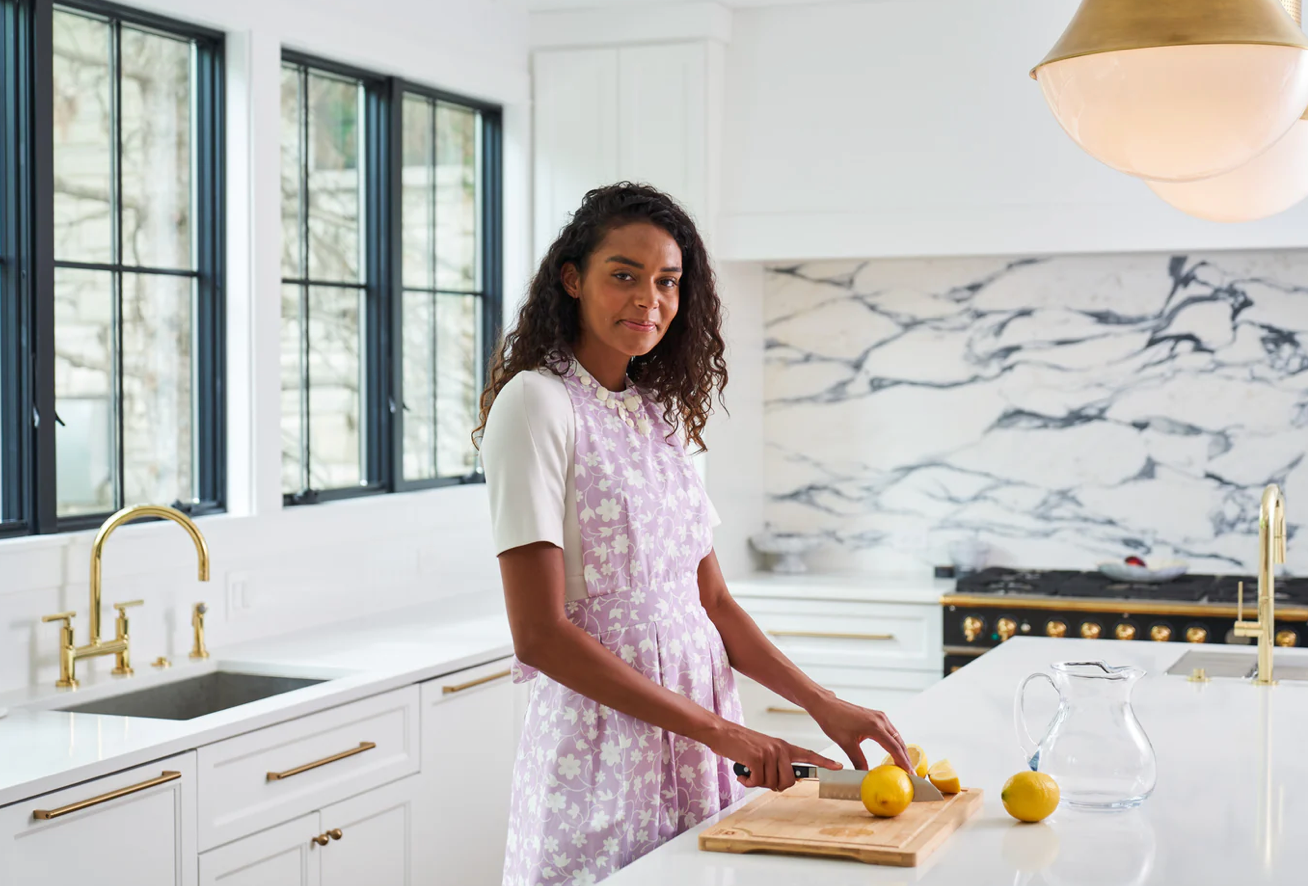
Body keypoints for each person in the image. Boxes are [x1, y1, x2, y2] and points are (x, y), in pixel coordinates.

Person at [476, 182, 911, 886]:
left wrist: (822, 704)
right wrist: (725, 734)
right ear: (572, 279)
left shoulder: (661, 415)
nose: (649, 300)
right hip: (603, 749)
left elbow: (711, 601)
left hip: (702, 738)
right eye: (624, 275)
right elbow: (540, 634)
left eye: (667, 282)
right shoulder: (536, 404)